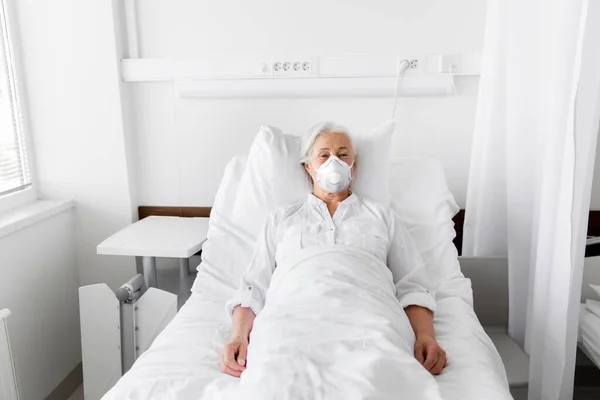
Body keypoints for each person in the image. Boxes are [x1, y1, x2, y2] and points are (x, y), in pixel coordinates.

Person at [220, 122, 446, 379]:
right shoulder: (282, 219)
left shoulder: (381, 217)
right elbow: (254, 287)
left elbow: (412, 285)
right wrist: (237, 336)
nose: (334, 162)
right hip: (293, 316)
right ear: (309, 167)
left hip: (369, 317)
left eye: (342, 155)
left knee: (378, 375)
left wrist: (426, 335)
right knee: (280, 375)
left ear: (354, 167)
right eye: (324, 155)